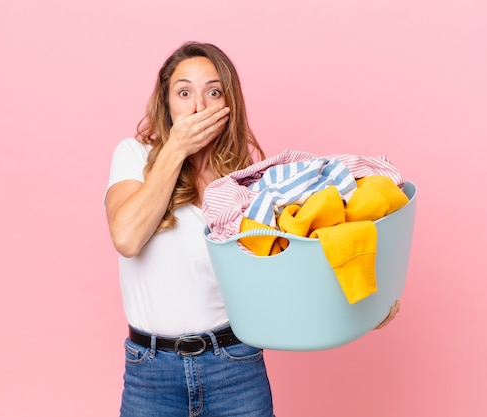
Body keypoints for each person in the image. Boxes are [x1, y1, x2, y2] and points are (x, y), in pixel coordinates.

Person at [104, 41, 399, 417]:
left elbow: (285, 276)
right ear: (166, 104)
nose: (198, 106)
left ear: (229, 106)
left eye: (214, 92)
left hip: (235, 367)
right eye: (184, 92)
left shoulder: (249, 183)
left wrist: (364, 308)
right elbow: (126, 238)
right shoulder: (134, 156)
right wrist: (176, 149)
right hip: (152, 373)